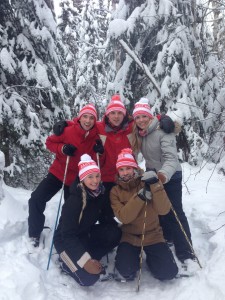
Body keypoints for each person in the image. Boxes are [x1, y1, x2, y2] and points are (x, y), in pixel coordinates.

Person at [52, 95, 176, 225]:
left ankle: (131, 232)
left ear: (124, 115)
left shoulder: (132, 127)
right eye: (112, 113)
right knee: (104, 211)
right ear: (107, 115)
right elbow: (84, 124)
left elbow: (146, 119)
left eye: (119, 113)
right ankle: (103, 234)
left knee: (131, 207)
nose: (116, 116)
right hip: (105, 178)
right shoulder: (99, 127)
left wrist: (163, 118)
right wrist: (67, 123)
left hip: (126, 177)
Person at [28, 104, 104, 247]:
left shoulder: (96, 137)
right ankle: (34, 233)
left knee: (70, 213)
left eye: (91, 118)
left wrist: (100, 151)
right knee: (36, 199)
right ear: (80, 118)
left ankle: (62, 240)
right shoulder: (67, 131)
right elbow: (49, 142)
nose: (88, 121)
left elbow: (96, 161)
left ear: (95, 120)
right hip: (58, 173)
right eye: (85, 117)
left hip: (76, 181)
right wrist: (62, 148)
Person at [131, 98, 194, 263]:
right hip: (153, 174)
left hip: (170, 175)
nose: (141, 120)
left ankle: (186, 252)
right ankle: (168, 237)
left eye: (144, 116)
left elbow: (172, 160)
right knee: (160, 210)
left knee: (175, 212)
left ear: (150, 116)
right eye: (137, 117)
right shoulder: (140, 134)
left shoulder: (163, 130)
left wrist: (162, 176)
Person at [110, 148, 178, 281]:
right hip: (129, 237)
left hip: (153, 234)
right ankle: (131, 259)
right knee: (126, 271)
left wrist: (156, 185)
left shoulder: (147, 181)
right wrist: (140, 197)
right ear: (118, 171)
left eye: (128, 168)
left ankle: (154, 260)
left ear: (134, 168)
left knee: (168, 273)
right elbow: (124, 217)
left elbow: (163, 210)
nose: (125, 173)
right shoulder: (115, 191)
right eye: (121, 169)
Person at [53, 154, 121, 287]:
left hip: (84, 235)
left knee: (115, 233)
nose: (95, 181)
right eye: (90, 177)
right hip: (65, 241)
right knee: (89, 278)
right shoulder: (74, 201)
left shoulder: (99, 193)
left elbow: (105, 218)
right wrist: (85, 261)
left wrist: (119, 227)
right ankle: (65, 264)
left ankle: (91, 258)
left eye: (97, 176)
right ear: (82, 178)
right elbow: (67, 235)